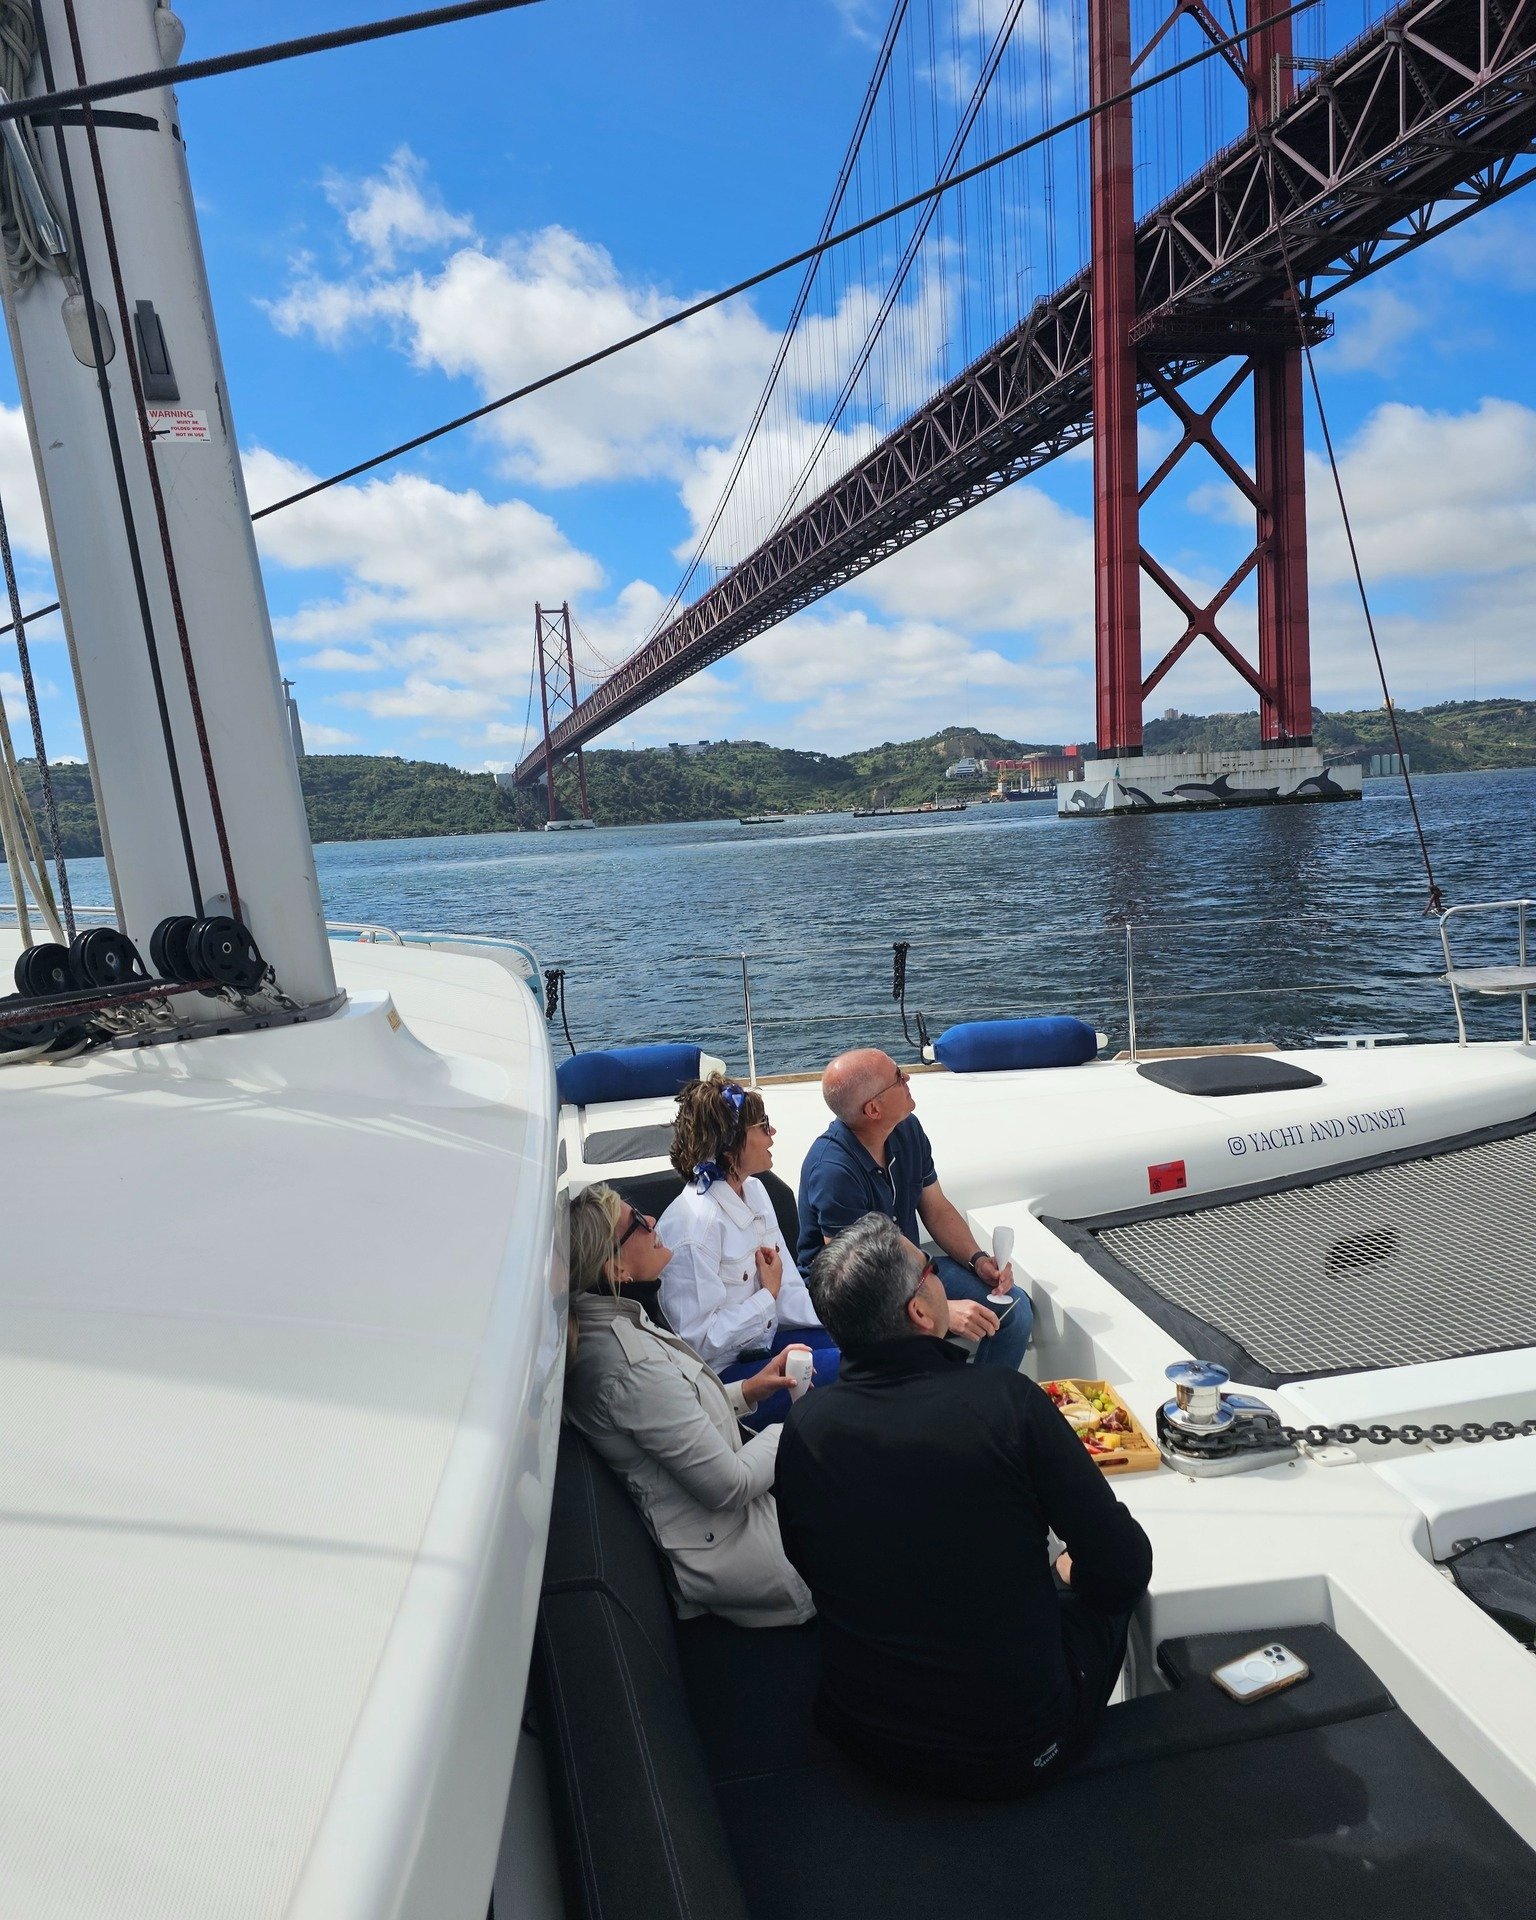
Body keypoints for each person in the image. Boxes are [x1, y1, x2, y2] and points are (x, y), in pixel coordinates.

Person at [775, 1213, 1151, 1796]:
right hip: (1018, 1746)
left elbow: (806, 1560)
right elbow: (1123, 1567)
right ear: (921, 1313)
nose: (940, 1278)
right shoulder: (1006, 1403)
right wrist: (1067, 1575)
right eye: (931, 1269)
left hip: (865, 1738)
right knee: (1105, 1590)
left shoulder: (805, 1427)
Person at [562, 1183, 814, 1629]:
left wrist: (748, 1390)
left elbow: (677, 1412)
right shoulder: (628, 1367)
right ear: (616, 1267)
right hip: (752, 1555)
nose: (653, 1222)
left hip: (752, 1519)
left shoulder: (617, 1325)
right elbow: (729, 1485)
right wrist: (801, 1425)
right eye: (637, 1222)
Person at [795, 1047, 1031, 1370]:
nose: (907, 1077)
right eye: (896, 1077)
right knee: (921, 1343)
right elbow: (853, 1280)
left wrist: (977, 1261)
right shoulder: (833, 1171)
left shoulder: (906, 1130)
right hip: (856, 1299)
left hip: (907, 1273)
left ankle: (980, 1407)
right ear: (874, 1109)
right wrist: (944, 1311)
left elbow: (935, 1208)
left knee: (1014, 1311)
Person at [658, 1073, 840, 1423]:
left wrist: (849, 1318)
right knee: (855, 1372)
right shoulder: (696, 1230)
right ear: (730, 1147)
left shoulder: (755, 1191)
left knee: (869, 1344)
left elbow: (787, 1288)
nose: (772, 1134)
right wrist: (766, 1297)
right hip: (726, 1381)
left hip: (766, 1344)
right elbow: (699, 1343)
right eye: (763, 1126)